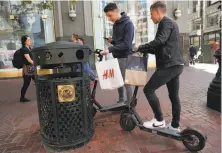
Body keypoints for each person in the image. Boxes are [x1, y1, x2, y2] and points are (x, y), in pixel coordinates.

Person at [137, 1, 184, 132]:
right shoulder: (169, 24)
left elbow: (160, 41)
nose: (151, 17)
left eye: (151, 14)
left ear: (158, 12)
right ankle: (175, 126)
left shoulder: (166, 22)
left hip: (169, 65)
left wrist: (141, 46)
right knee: (174, 96)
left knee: (148, 90)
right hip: (175, 65)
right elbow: (161, 47)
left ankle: (159, 120)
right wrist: (145, 50)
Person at [100, 3, 134, 105]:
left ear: (116, 11)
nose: (109, 19)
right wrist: (112, 41)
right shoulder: (115, 24)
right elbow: (118, 42)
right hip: (117, 56)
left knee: (127, 82)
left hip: (125, 57)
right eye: (107, 16)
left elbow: (127, 44)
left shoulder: (128, 24)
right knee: (118, 81)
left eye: (110, 15)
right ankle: (121, 101)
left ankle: (129, 104)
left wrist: (109, 49)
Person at [20, 35, 35, 102]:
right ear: (25, 41)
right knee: (26, 84)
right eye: (28, 40)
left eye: (30, 39)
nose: (30, 41)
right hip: (27, 69)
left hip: (32, 68)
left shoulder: (29, 48)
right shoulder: (25, 49)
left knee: (38, 82)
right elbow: (29, 60)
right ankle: (22, 98)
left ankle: (44, 95)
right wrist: (36, 64)